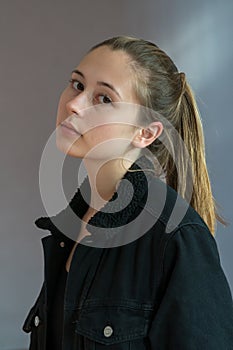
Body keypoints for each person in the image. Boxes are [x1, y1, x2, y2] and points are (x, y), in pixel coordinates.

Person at [23, 36, 233, 349]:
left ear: (146, 133)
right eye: (78, 85)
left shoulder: (174, 236)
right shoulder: (68, 228)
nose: (73, 104)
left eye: (104, 98)